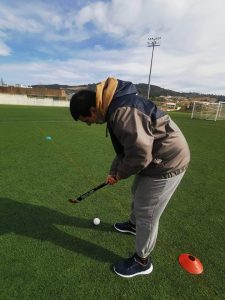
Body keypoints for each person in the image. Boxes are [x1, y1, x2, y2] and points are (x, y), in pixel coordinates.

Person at [70, 77, 190, 278]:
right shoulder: (115, 107)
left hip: (168, 161)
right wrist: (113, 171)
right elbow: (125, 149)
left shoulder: (121, 112)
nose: (89, 125)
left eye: (86, 121)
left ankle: (142, 261)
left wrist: (120, 174)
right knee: (137, 192)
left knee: (147, 211)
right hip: (156, 156)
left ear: (92, 111)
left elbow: (140, 155)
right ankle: (133, 226)